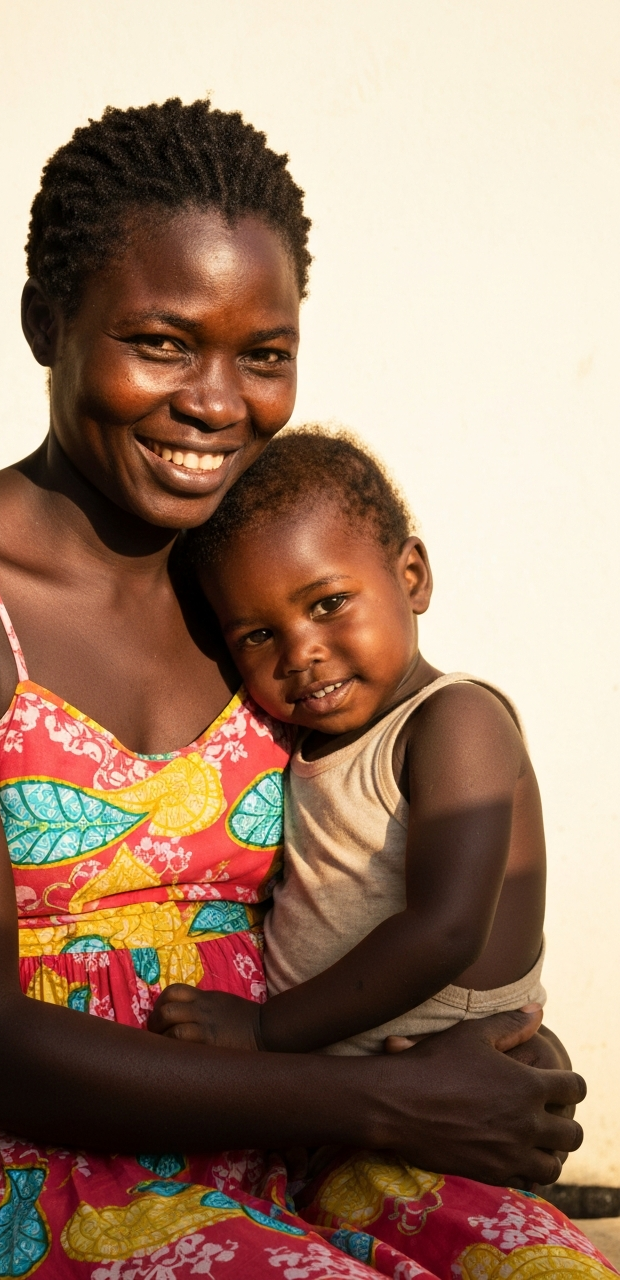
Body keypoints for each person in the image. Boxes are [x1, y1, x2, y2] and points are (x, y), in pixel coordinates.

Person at [0, 99, 608, 1279]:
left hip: (295, 1123)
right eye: (163, 341)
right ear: (47, 323)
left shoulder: (248, 591)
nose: (217, 402)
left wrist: (485, 1051)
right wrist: (387, 1104)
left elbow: (408, 813)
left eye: (264, 352)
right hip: (24, 1164)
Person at [150, 426, 547, 1058]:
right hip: (346, 1089)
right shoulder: (299, 741)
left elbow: (446, 930)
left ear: (412, 576)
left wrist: (262, 1030)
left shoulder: (455, 721)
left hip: (444, 1076)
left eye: (329, 603)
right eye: (256, 635)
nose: (300, 652)